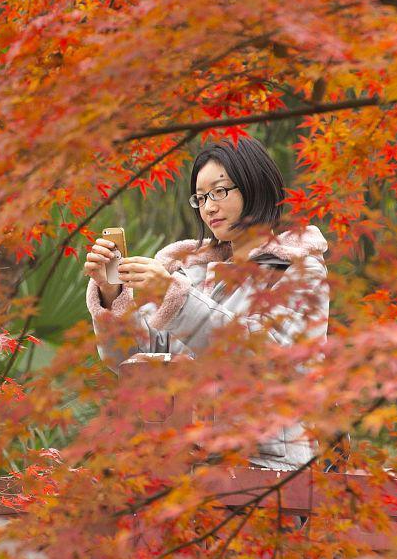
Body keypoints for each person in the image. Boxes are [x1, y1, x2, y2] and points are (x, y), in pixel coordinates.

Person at [83, 136, 330, 471]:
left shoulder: (299, 269)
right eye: (200, 198)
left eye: (219, 191)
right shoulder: (192, 275)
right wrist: (112, 294)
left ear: (254, 185)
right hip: (187, 468)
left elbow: (274, 361)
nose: (209, 206)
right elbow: (135, 360)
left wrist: (177, 298)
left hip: (266, 472)